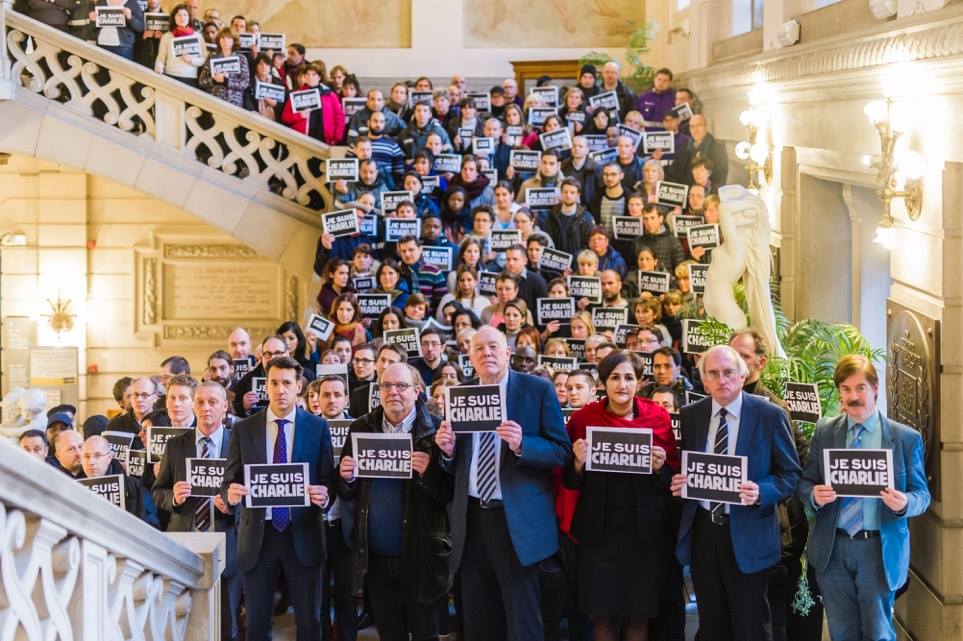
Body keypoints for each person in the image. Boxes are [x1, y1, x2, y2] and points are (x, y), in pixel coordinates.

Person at [435, 326, 572, 641]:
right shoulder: (461, 395)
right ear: (470, 357)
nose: (487, 353)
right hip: (470, 520)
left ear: (508, 352)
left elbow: (561, 451)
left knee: (522, 619)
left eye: (494, 347)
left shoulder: (537, 390)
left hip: (516, 522)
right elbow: (455, 463)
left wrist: (524, 444)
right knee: (479, 618)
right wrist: (448, 450)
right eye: (479, 348)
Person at [670, 345, 801, 641]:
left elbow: (791, 474)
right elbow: (691, 468)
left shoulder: (769, 414)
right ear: (703, 380)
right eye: (713, 374)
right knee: (712, 625)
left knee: (751, 626)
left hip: (749, 533)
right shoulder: (692, 414)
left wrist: (761, 490)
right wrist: (681, 485)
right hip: (704, 534)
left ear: (742, 376)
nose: (722, 380)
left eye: (729, 373)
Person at [798, 355, 930, 641]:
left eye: (860, 388)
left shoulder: (904, 438)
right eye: (846, 389)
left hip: (878, 551)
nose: (853, 396)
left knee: (878, 633)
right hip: (833, 550)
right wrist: (814, 496)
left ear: (875, 388)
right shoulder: (825, 431)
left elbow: (922, 495)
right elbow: (805, 483)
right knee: (841, 632)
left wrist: (904, 503)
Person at [564, 351, 677, 641]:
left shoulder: (658, 418)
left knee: (637, 617)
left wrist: (659, 469)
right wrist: (577, 462)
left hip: (643, 537)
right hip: (598, 536)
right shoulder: (583, 419)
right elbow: (568, 480)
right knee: (601, 616)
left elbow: (672, 482)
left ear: (639, 382)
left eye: (629, 378)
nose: (622, 385)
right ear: (603, 383)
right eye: (615, 377)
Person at [337, 362, 453, 641]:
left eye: (401, 386)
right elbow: (346, 490)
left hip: (421, 554)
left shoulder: (436, 431)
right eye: (386, 386)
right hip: (376, 556)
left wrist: (431, 470)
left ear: (417, 391)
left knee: (425, 633)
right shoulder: (361, 427)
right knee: (390, 633)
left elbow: (450, 494)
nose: (393, 392)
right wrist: (346, 477)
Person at [221, 356, 334, 641]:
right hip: (259, 536)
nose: (280, 389)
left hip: (303, 534)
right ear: (266, 387)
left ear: (299, 387)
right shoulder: (244, 428)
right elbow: (229, 480)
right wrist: (230, 493)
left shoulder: (318, 427)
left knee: (309, 622)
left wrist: (324, 494)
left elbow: (327, 481)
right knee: (257, 624)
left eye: (287, 383)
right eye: (274, 382)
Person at [152, 381, 242, 641]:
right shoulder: (176, 446)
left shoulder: (240, 443)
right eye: (200, 402)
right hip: (185, 543)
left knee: (227, 626)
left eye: (213, 402)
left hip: (227, 542)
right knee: (182, 623)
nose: (206, 408)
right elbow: (158, 492)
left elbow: (254, 495)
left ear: (225, 406)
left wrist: (233, 506)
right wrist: (175, 499)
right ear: (193, 405)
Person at [79, 435, 160, 527]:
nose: (91, 462)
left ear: (109, 457)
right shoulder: (74, 486)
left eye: (98, 455)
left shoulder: (135, 487)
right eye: (86, 456)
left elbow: (151, 523)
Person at [153, 3, 206, 86]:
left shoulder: (198, 36)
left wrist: (192, 60)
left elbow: (204, 58)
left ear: (189, 17)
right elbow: (161, 57)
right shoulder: (167, 36)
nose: (182, 18)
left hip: (190, 78)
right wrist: (159, 68)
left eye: (185, 15)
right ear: (174, 18)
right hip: (170, 76)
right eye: (179, 15)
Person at [349, 342, 406, 419]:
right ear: (376, 362)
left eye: (391, 362)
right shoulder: (358, 394)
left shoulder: (407, 394)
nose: (384, 366)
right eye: (382, 360)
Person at [198, 27, 250, 108]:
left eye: (229, 38)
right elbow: (202, 81)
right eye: (222, 38)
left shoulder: (241, 58)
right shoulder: (212, 57)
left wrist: (226, 81)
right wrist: (214, 79)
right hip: (214, 101)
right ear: (219, 40)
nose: (225, 41)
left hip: (234, 103)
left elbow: (244, 83)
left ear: (234, 40)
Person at [670, 114, 728, 185]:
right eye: (692, 126)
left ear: (706, 127)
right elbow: (674, 172)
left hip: (707, 194)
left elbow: (721, 178)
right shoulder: (683, 148)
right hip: (686, 193)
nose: (695, 130)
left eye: (699, 125)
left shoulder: (718, 150)